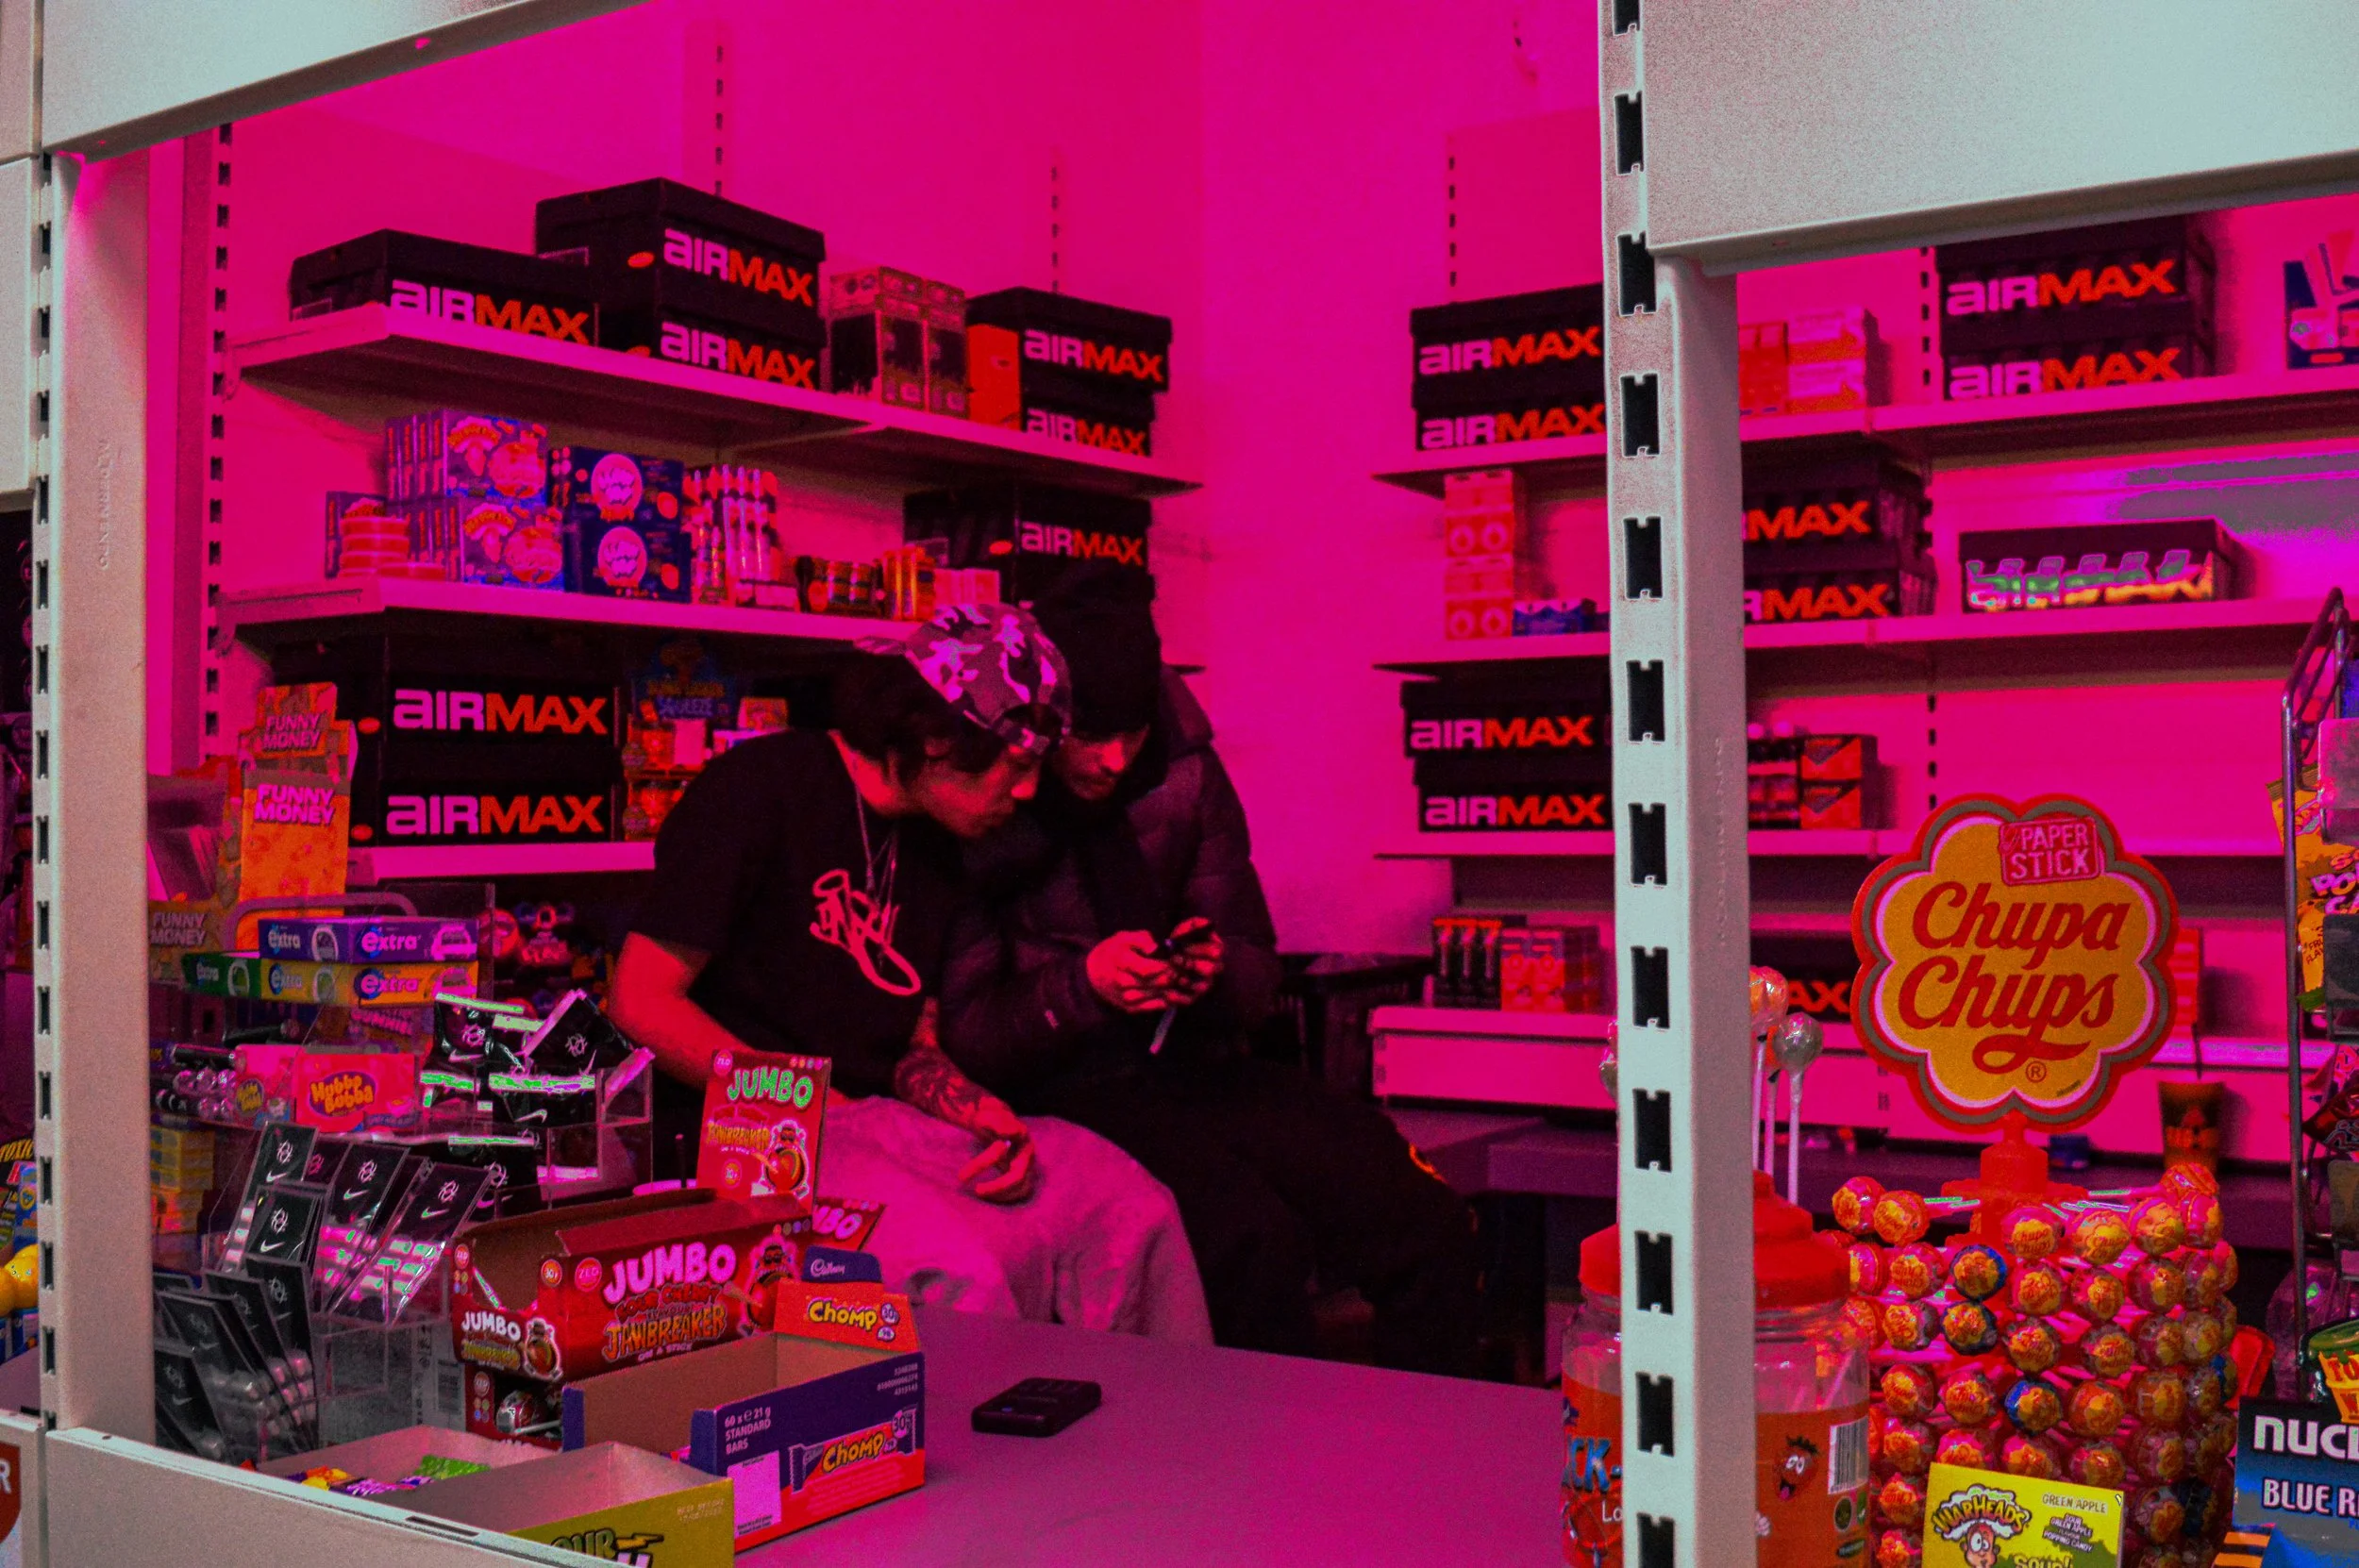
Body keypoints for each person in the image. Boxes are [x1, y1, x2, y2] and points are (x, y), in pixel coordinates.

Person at [609, 604, 1210, 1342]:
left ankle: (1159, 1436)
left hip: (873, 1121)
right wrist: (807, 1103)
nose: (1026, 793)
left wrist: (976, 1111)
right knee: (962, 1265)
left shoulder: (935, 839)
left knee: (1130, 1206)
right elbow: (639, 1000)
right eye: (1015, 766)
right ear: (935, 741)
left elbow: (910, 1044)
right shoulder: (759, 790)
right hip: (742, 1139)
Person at [942, 566, 1479, 1375]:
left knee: (1417, 1211)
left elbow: (1256, 963)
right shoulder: (978, 803)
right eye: (1089, 736)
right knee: (1246, 1241)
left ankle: (1439, 1449)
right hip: (1059, 1086)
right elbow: (968, 1031)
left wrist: (1212, 973)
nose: (1115, 759)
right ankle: (1275, 1471)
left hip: (1195, 1064)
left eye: (1133, 732)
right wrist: (1086, 986)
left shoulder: (1186, 775)